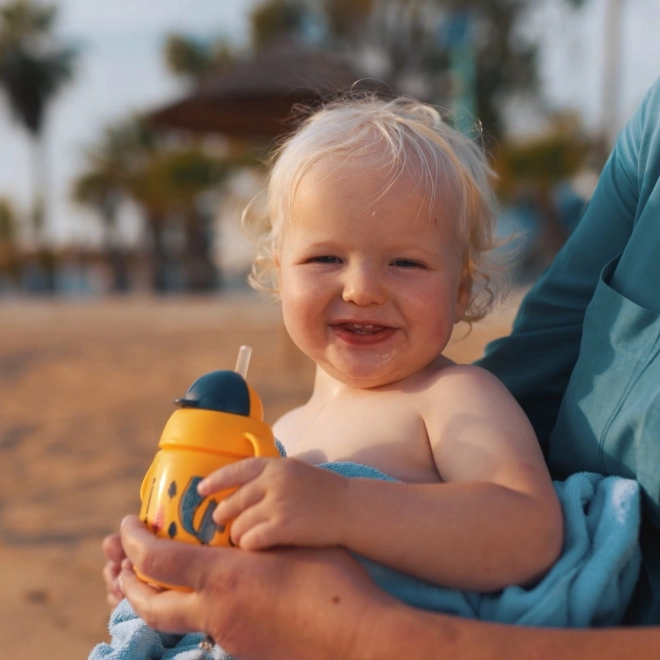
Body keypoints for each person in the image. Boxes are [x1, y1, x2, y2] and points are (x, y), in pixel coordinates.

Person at [101, 74, 660, 657]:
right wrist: (163, 564)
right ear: (276, 270)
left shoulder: (453, 399)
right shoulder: (279, 432)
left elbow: (528, 531)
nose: (363, 288)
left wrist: (341, 508)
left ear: (462, 288)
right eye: (325, 257)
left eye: (405, 263)